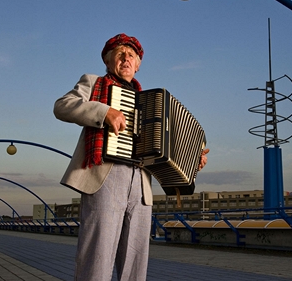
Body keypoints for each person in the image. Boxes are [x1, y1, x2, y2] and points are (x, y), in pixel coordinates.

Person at [53, 33, 208, 280]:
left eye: (132, 56)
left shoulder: (151, 102)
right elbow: (62, 105)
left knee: (135, 262)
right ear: (108, 60)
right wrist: (104, 112)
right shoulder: (93, 82)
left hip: (141, 184)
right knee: (98, 256)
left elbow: (165, 149)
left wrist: (192, 160)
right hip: (105, 177)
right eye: (120, 54)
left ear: (137, 65)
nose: (126, 59)